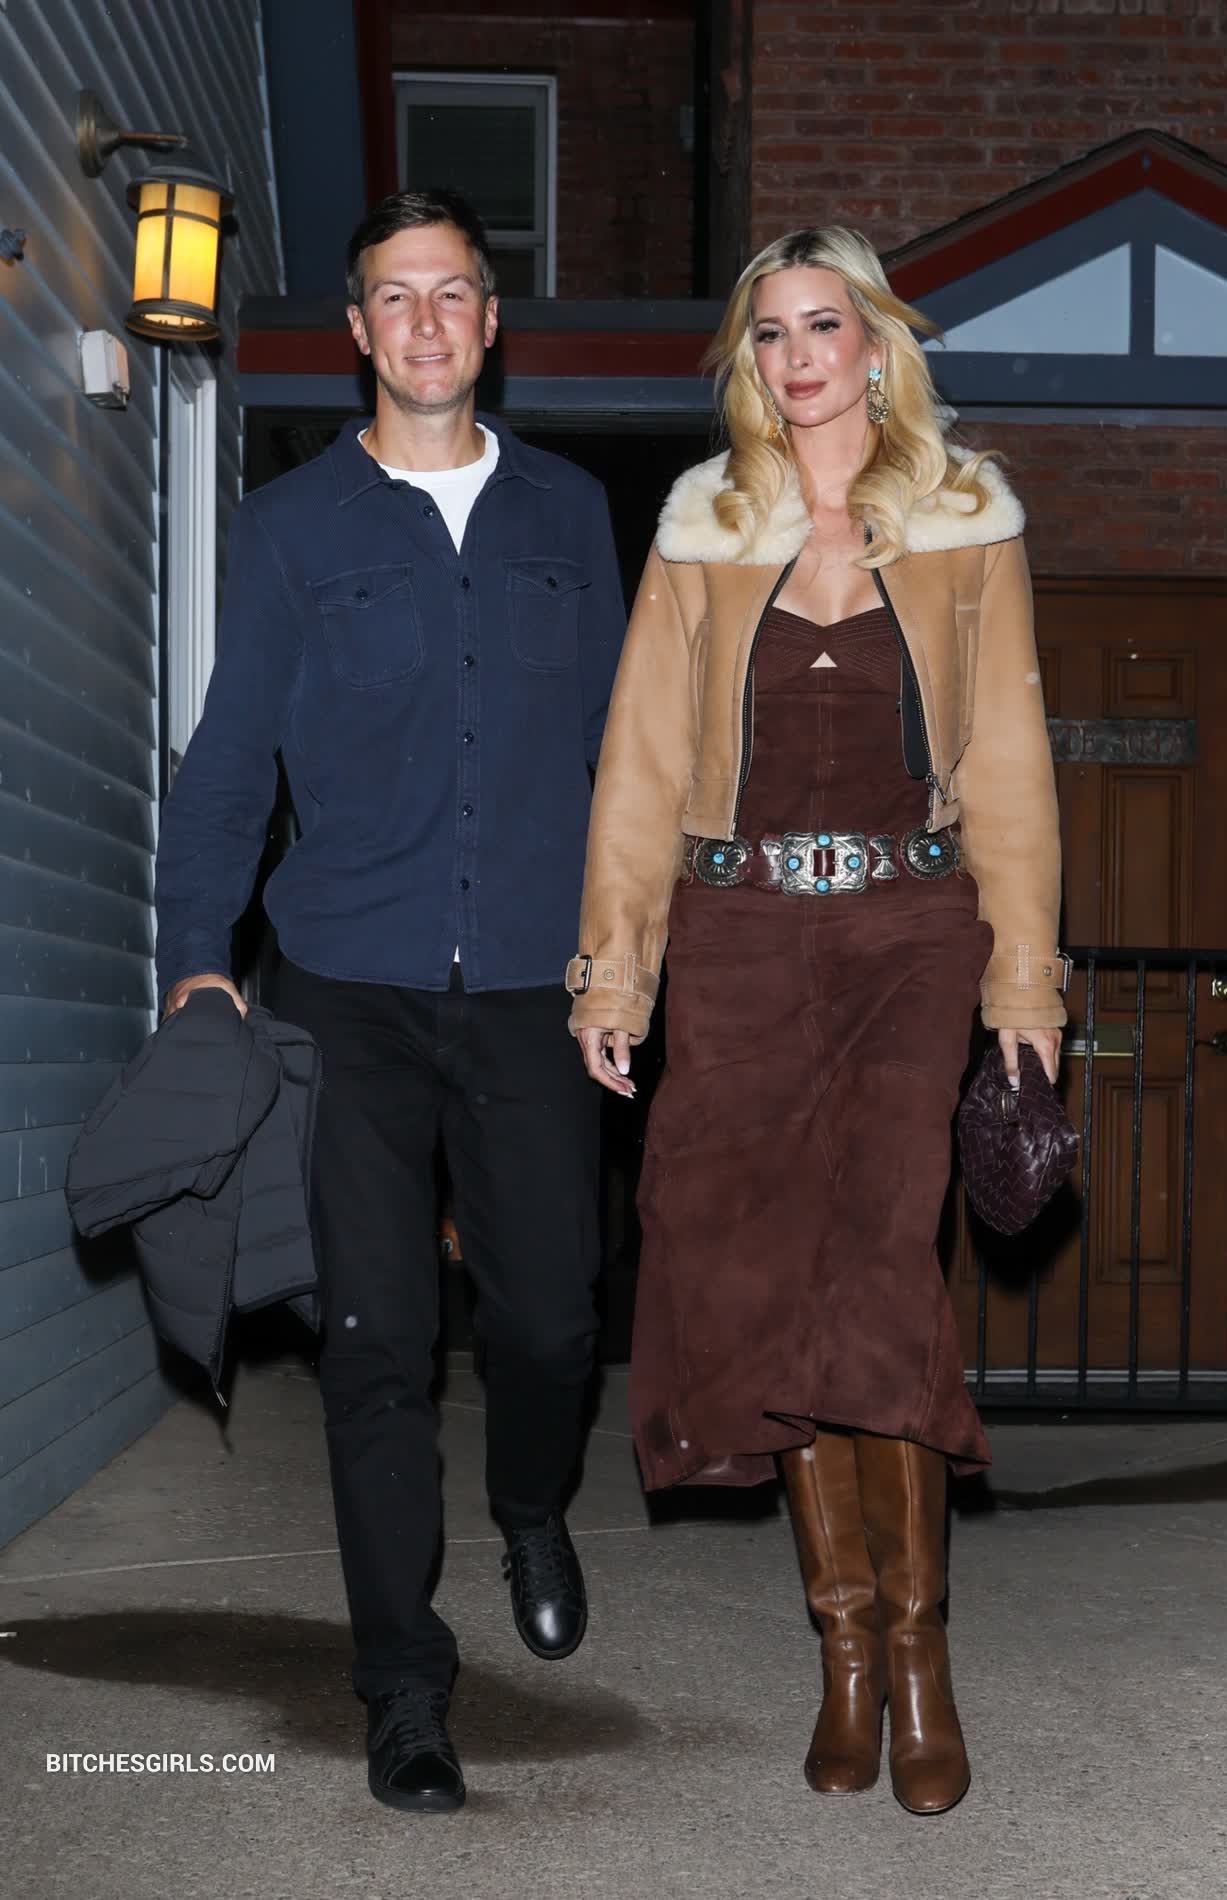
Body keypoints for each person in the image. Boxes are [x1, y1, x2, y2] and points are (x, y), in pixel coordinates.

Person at [567, 226, 1066, 1815]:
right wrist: (615, 970)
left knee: (873, 1270)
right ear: (748, 359)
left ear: (874, 346)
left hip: (909, 928)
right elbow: (641, 766)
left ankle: (916, 1654)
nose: (796, 357)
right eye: (768, 333)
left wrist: (1023, 983)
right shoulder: (702, 528)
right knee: (765, 1287)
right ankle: (840, 1643)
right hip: (738, 936)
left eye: (822, 326)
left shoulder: (965, 520)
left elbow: (1008, 767)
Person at [155, 189, 626, 1814]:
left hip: (534, 984)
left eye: (452, 293)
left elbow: (620, 759)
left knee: (553, 1317)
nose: (425, 322)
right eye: (393, 298)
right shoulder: (295, 528)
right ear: (357, 330)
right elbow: (231, 761)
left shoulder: (571, 514)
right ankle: (404, 1687)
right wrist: (195, 955)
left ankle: (531, 1505)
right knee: (375, 1343)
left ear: (490, 321)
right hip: (347, 988)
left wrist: (633, 950)